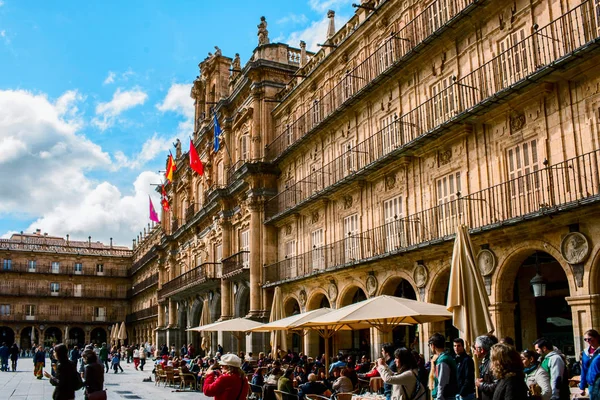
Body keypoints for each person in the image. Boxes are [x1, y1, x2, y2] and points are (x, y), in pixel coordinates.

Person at [428, 333, 458, 400]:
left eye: (429, 345)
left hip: (445, 397)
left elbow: (442, 383)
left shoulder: (443, 361)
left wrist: (439, 398)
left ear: (432, 345)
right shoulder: (446, 357)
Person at [475, 335, 497, 400]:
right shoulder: (485, 362)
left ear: (481, 350)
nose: (474, 351)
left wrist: (481, 384)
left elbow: (497, 385)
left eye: (475, 348)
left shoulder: (492, 363)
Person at [581, 329, 600, 397]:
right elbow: (584, 369)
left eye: (589, 339)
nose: (587, 341)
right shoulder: (585, 352)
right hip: (592, 384)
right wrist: (582, 387)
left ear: (596, 338)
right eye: (585, 339)